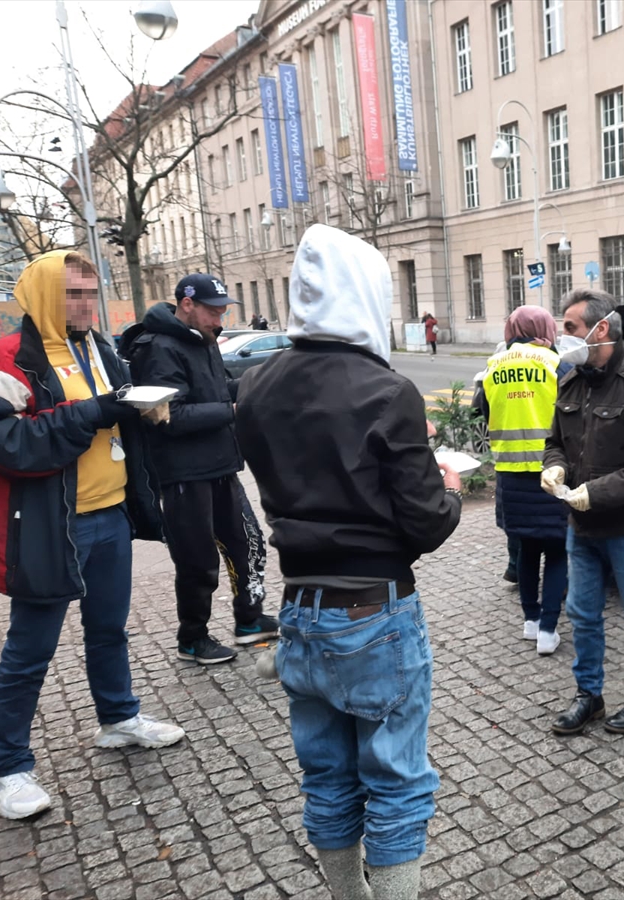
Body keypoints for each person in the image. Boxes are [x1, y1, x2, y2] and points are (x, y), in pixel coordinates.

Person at [236, 225, 462, 900]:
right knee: (396, 784)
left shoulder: (256, 386)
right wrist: (447, 486)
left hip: (299, 609)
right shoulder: (385, 391)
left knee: (327, 778)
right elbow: (424, 523)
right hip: (374, 608)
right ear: (363, 292)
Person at [0, 251, 185, 820]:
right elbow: (1, 441)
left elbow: (109, 410)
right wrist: (90, 413)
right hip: (52, 524)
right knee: (30, 649)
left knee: (108, 630)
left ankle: (118, 719)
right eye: (73, 293)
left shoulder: (98, 347)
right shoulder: (9, 356)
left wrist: (144, 411)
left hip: (110, 514)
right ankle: (6, 765)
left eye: (90, 294)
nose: (84, 305)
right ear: (45, 292)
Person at [542, 289, 624, 735]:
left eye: (570, 328)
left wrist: (595, 493)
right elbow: (555, 441)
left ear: (601, 330)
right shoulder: (572, 380)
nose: (563, 336)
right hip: (581, 527)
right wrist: (555, 466)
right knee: (582, 615)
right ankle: (589, 695)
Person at [123, 274, 277, 665]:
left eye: (223, 310)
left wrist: (261, 386)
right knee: (198, 561)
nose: (219, 319)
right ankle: (193, 638)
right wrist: (233, 411)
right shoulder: (158, 348)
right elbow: (165, 416)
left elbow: (217, 391)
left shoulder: (203, 340)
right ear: (186, 304)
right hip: (183, 476)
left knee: (249, 543)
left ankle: (250, 620)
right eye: (212, 311)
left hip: (221, 465)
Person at [482, 305, 571, 655]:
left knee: (527, 549)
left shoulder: (493, 365)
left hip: (510, 474)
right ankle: (549, 630)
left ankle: (530, 622)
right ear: (545, 328)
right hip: (551, 471)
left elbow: (486, 411)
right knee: (558, 551)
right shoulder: (555, 363)